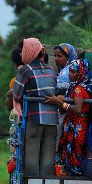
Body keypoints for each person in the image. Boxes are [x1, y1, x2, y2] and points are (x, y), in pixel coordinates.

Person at [13, 37, 58, 176]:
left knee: (31, 156)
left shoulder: (25, 71)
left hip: (35, 118)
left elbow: (17, 95)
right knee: (48, 158)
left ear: (27, 51)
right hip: (52, 119)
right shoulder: (51, 70)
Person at [45, 59, 92, 176]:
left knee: (75, 152)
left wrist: (60, 103)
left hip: (78, 125)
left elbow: (77, 108)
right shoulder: (78, 86)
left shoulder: (78, 89)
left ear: (81, 73)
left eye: (73, 72)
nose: (70, 74)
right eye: (70, 71)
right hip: (74, 124)